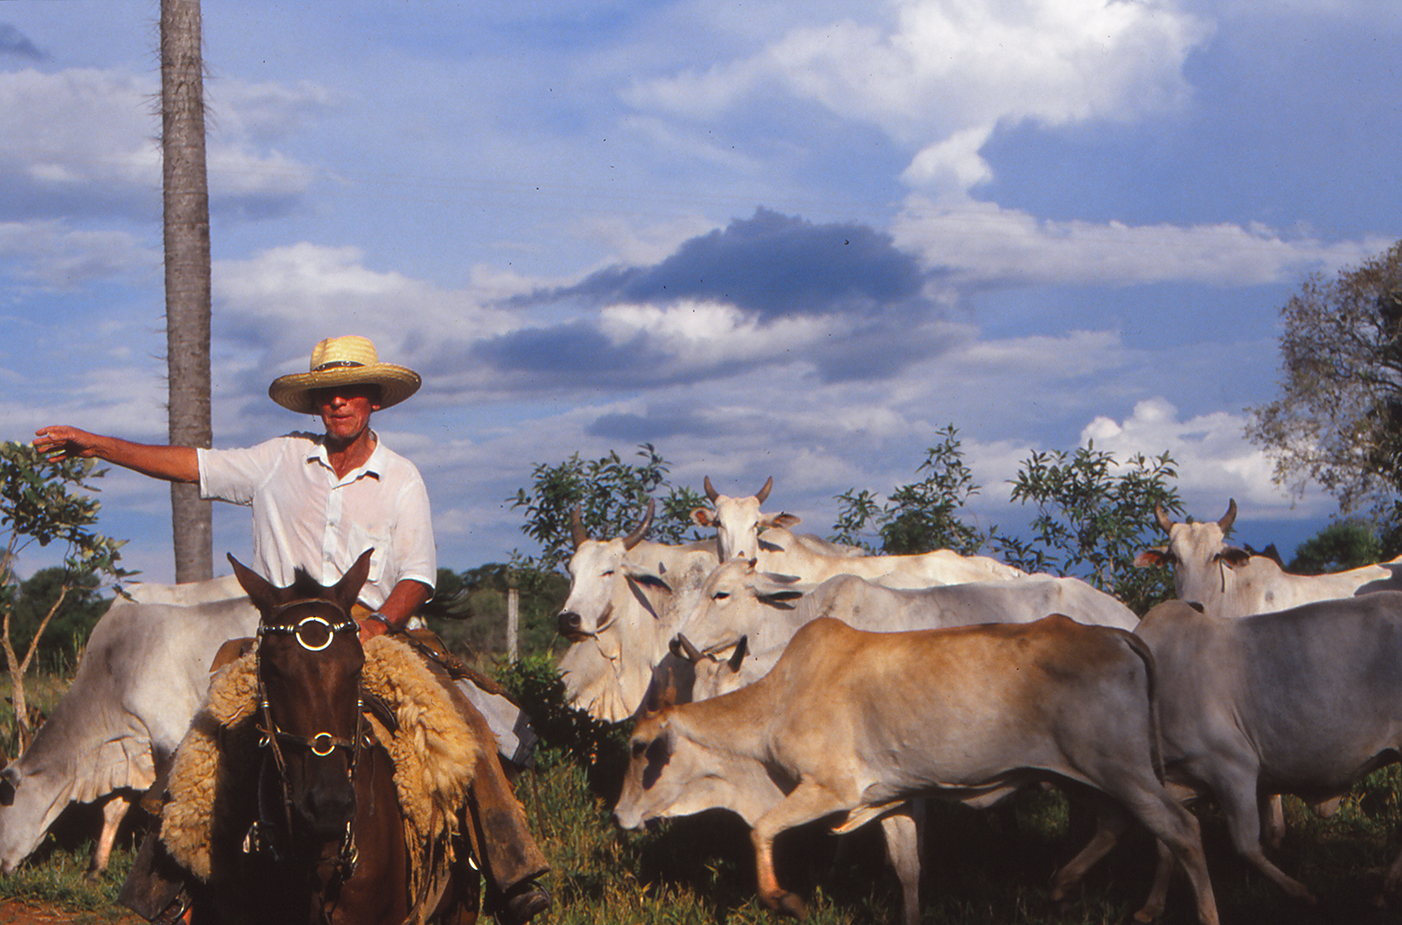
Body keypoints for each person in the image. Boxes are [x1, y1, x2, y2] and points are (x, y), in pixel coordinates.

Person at [35, 335, 551, 924]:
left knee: (461, 727)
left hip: (374, 639)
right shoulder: (277, 460)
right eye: (327, 394)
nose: (339, 403)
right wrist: (98, 445)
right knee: (203, 742)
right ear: (315, 404)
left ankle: (510, 872)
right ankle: (168, 883)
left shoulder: (402, 478)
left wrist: (379, 624)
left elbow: (417, 576)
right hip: (283, 643)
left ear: (373, 399)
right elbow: (192, 466)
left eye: (350, 391)